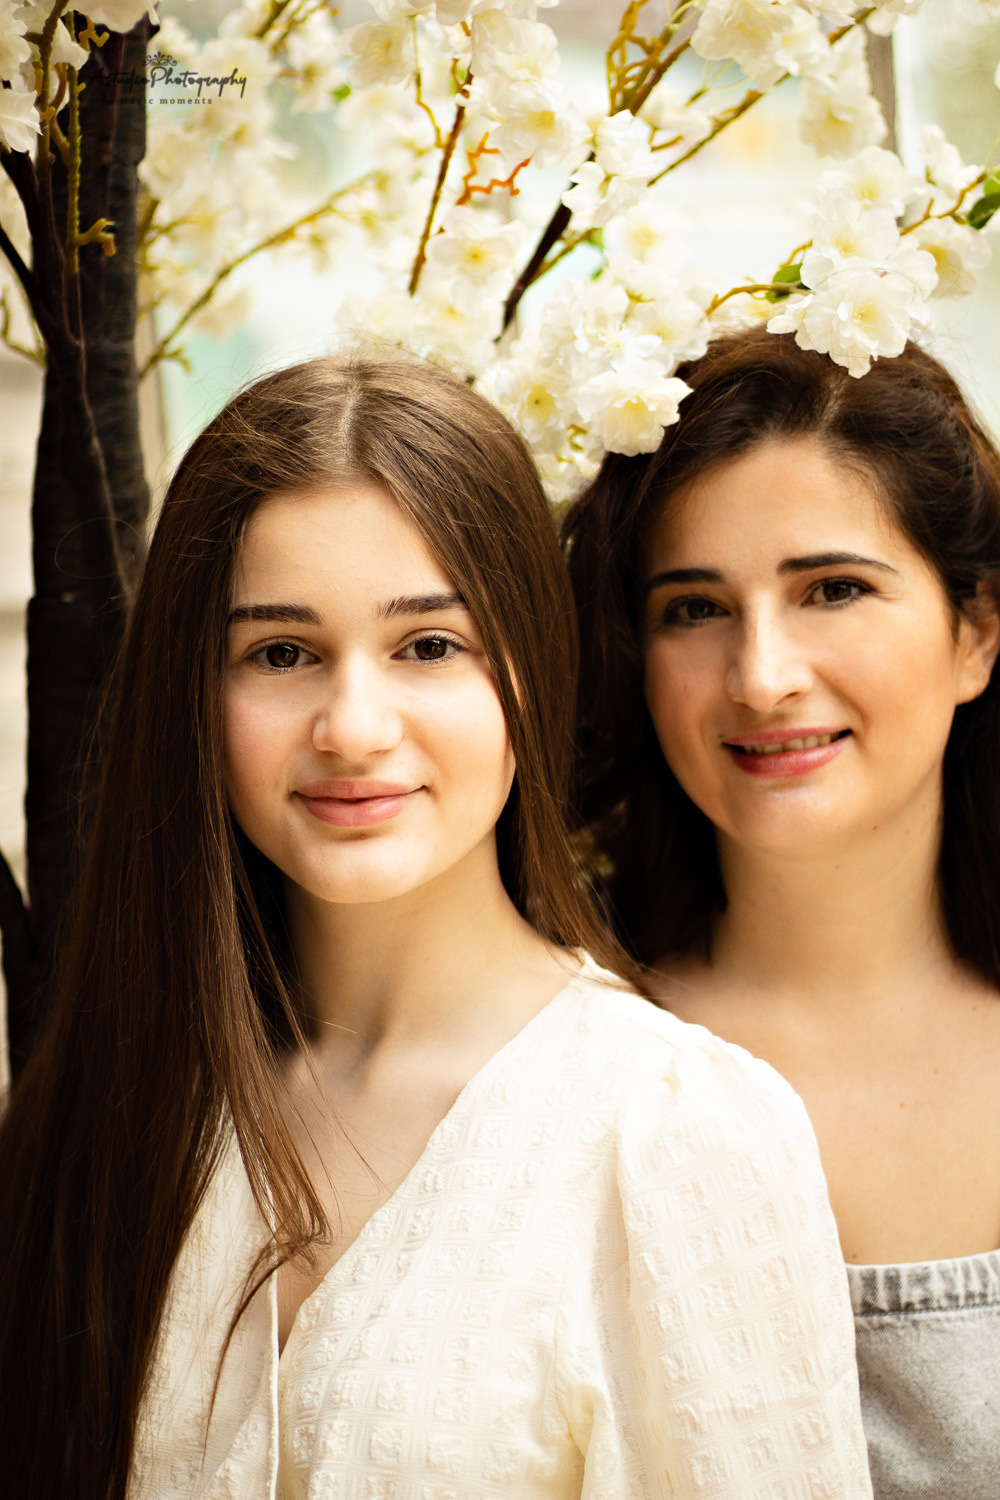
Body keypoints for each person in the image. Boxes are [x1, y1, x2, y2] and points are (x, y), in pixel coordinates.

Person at [0, 354, 872, 1500]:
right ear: (192, 697)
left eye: (428, 647)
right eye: (280, 653)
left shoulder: (677, 1133)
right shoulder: (112, 1107)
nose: (353, 728)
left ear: (529, 669)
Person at [564, 325, 1000, 1500]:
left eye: (832, 589)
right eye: (694, 609)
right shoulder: (555, 1061)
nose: (761, 676)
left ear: (977, 630)